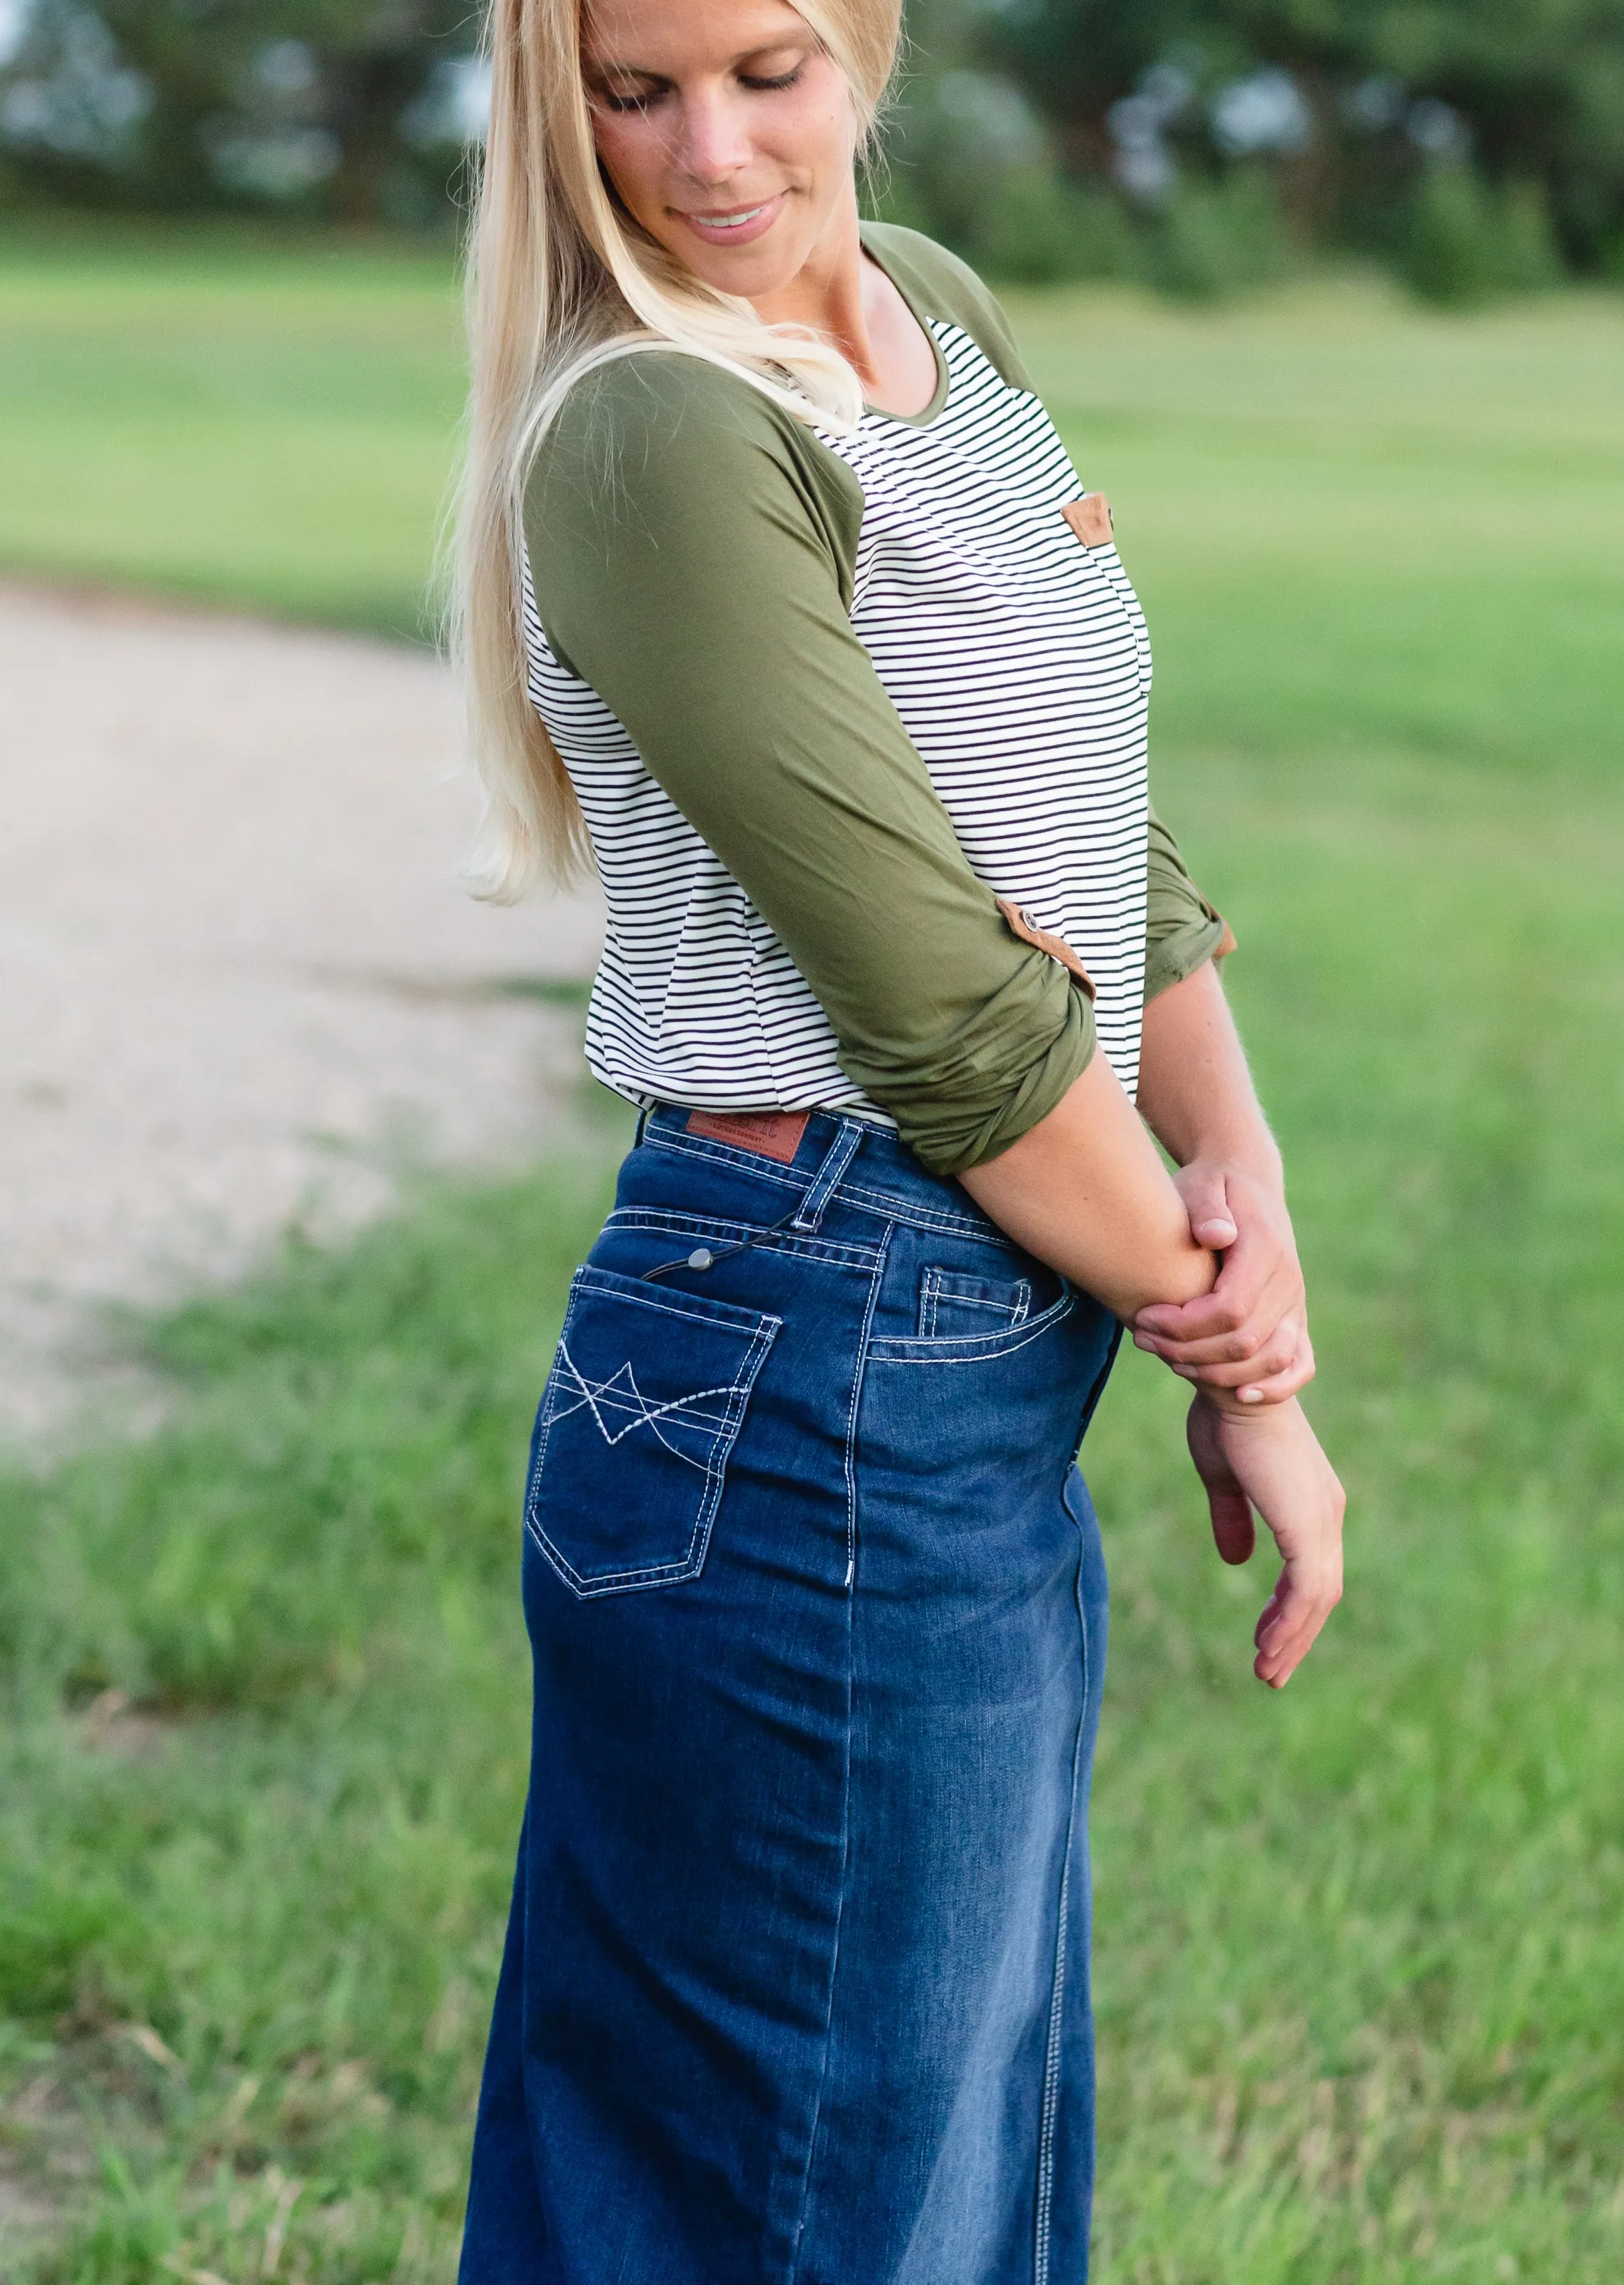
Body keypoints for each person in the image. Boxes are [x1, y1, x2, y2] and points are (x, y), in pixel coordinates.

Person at [450, 0, 1344, 2274]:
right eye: (627, 92)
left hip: (967, 1314)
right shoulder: (652, 427)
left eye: (766, 68)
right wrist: (1216, 1337)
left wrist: (1248, 1239)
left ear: (866, 45)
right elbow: (944, 1006)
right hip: (809, 1337)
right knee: (803, 2188)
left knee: (937, 2155)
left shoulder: (928, 305)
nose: (710, 151)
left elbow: (1092, 834)